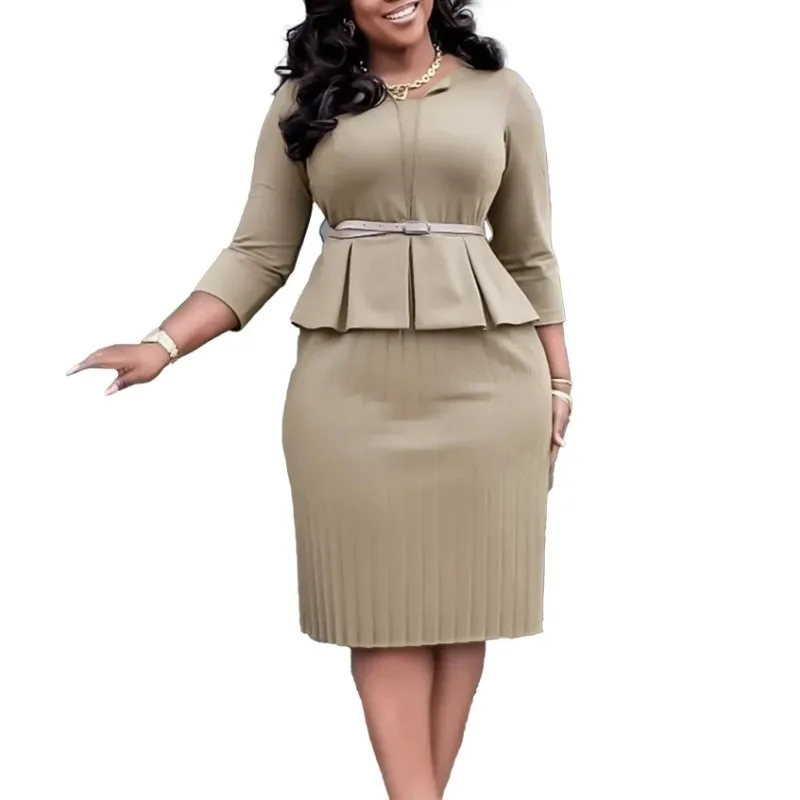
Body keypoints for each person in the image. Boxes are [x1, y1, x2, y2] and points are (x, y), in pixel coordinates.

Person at [66, 1, 572, 797]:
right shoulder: (305, 97)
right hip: (349, 393)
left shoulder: (501, 91)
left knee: (462, 610)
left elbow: (530, 251)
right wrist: (162, 344)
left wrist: (560, 381)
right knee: (381, 613)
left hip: (492, 386)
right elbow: (259, 251)